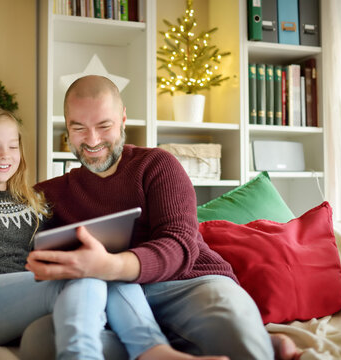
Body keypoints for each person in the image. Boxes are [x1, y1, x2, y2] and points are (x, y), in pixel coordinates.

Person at [0, 107, 226, 360]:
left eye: (12, 146)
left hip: (22, 298)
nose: (4, 155)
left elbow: (62, 250)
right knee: (79, 274)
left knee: (104, 267)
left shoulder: (34, 203)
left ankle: (154, 351)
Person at [24, 75, 298, 359]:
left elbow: (180, 245)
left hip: (188, 284)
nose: (92, 141)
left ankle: (256, 342)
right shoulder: (52, 193)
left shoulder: (156, 165)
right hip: (115, 301)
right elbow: (2, 211)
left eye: (104, 126)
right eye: (79, 128)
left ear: (123, 120)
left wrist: (111, 265)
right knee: (40, 341)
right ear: (67, 127)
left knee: (234, 333)